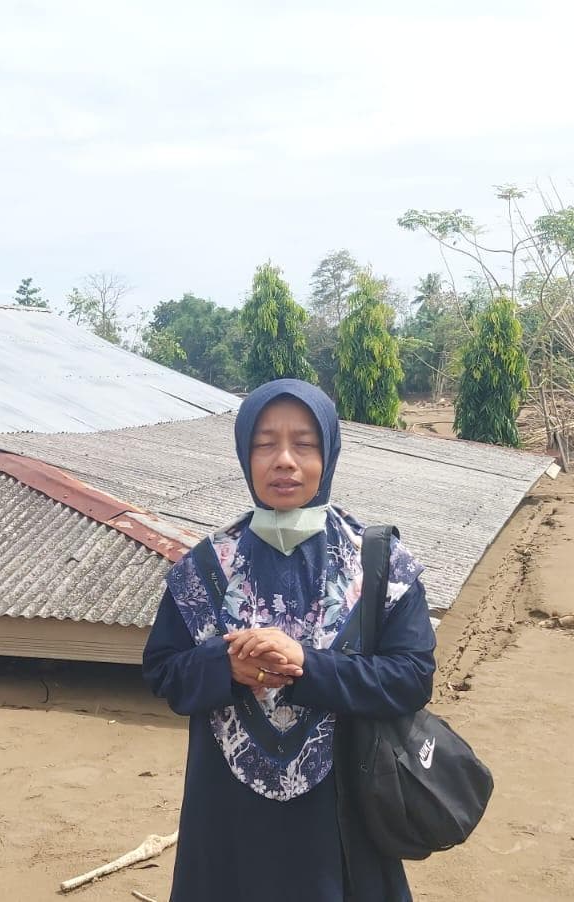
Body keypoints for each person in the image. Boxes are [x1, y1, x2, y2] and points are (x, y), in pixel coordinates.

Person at [143, 379, 437, 902]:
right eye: (264, 444)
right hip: (228, 820)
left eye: (304, 444)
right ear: (243, 454)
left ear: (328, 453)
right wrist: (224, 666)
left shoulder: (380, 566)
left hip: (343, 814)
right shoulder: (205, 568)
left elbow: (412, 678)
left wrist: (310, 665)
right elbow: (163, 670)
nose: (284, 460)